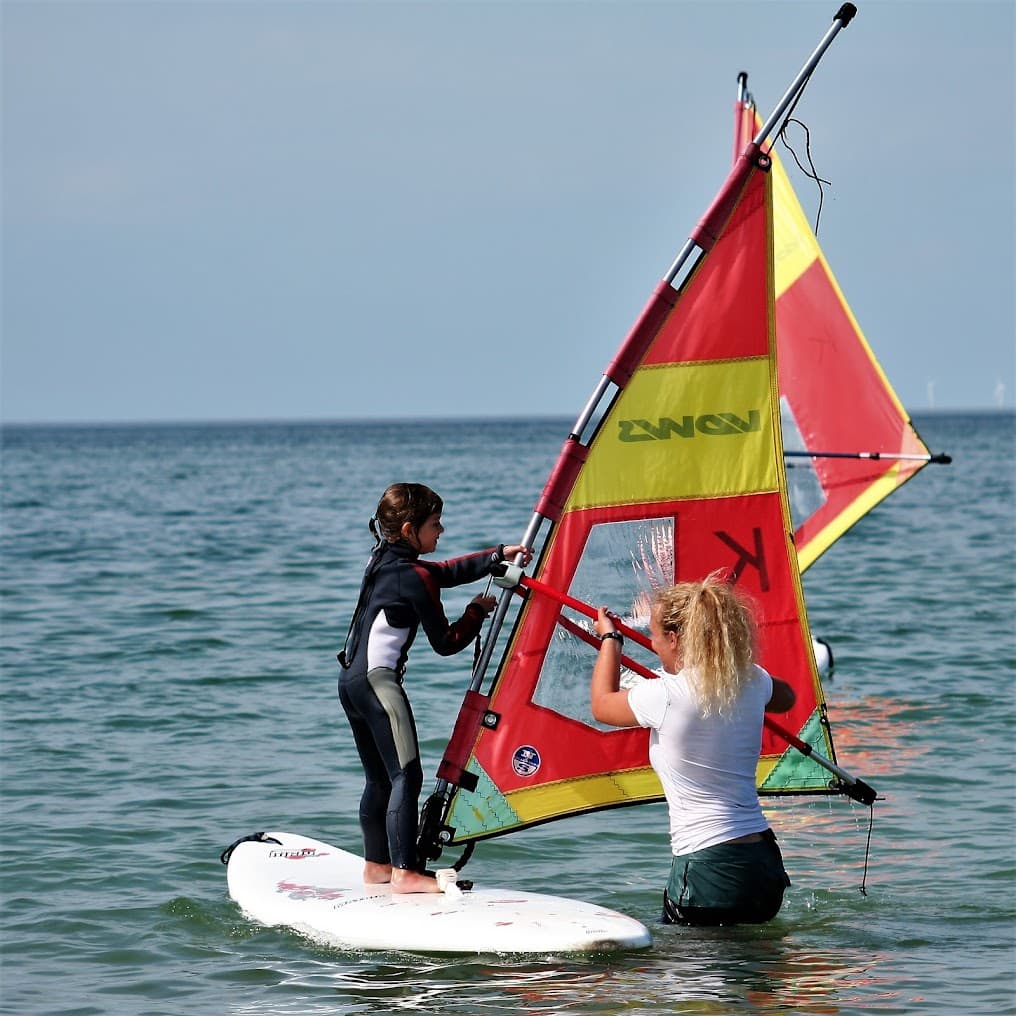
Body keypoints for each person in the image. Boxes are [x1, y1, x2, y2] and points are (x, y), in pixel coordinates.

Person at [337, 482, 531, 894]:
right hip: (378, 683)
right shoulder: (414, 576)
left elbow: (441, 573)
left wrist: (495, 556)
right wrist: (476, 611)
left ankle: (377, 867)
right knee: (407, 775)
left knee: (380, 779)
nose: (441, 531)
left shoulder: (382, 562)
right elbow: (447, 643)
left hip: (350, 682)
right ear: (410, 530)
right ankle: (406, 873)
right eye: (435, 524)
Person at [590, 575, 795, 926]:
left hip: (707, 867)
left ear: (674, 639)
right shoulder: (752, 679)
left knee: (691, 978)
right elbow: (787, 696)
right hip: (763, 863)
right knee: (754, 977)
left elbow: (602, 705)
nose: (653, 645)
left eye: (654, 637)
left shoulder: (664, 695)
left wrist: (610, 640)